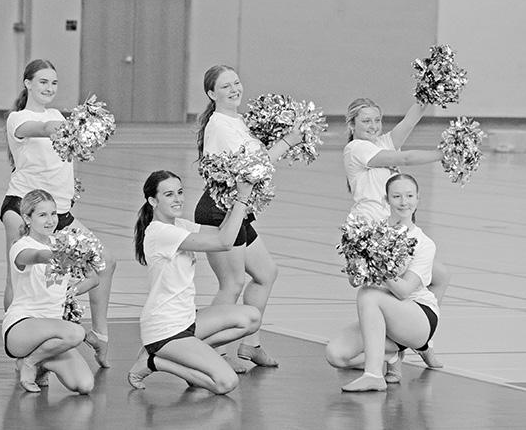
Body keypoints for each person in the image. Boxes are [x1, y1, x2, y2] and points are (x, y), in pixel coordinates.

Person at [0, 59, 117, 368]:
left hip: (60, 213)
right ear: (27, 83)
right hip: (24, 207)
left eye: (53, 82)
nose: (49, 87)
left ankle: (99, 334)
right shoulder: (18, 118)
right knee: (18, 279)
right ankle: (20, 346)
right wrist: (66, 126)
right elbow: (40, 129)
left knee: (105, 261)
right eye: (42, 81)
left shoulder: (56, 115)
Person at [193, 65, 301, 370]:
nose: (234, 89)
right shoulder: (219, 125)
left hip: (238, 210)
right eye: (225, 86)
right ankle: (206, 351)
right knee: (231, 284)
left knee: (266, 273)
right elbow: (253, 167)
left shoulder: (237, 121)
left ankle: (250, 345)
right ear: (212, 94)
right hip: (219, 211)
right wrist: (288, 141)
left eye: (236, 83)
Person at [127, 171, 261, 394]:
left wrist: (231, 198)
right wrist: (242, 199)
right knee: (226, 382)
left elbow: (221, 231)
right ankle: (153, 362)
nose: (178, 199)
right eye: (169, 194)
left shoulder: (180, 225)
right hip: (166, 329)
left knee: (251, 318)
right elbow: (224, 243)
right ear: (153, 201)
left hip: (188, 319)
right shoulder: (161, 232)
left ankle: (187, 355)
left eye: (180, 192)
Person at [344, 97, 449, 368]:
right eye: (366, 121)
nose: (373, 125)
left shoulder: (382, 142)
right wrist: (443, 154)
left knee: (439, 276)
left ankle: (420, 341)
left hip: (395, 228)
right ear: (352, 124)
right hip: (372, 231)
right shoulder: (356, 148)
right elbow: (406, 158)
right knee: (388, 291)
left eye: (377, 120)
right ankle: (395, 354)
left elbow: (410, 120)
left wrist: (429, 89)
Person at [325, 174, 440, 392]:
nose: (404, 202)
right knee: (335, 355)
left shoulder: (424, 243)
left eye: (409, 196)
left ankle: (373, 375)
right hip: (382, 317)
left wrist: (377, 262)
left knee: (369, 294)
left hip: (418, 318)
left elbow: (404, 291)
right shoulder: (371, 233)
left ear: (418, 199)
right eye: (396, 196)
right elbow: (354, 281)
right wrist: (355, 256)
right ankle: (390, 355)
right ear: (386, 199)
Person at [3, 189, 99, 394]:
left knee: (84, 385)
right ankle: (29, 363)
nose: (50, 220)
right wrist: (64, 253)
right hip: (22, 328)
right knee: (76, 332)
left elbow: (93, 278)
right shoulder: (20, 246)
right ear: (27, 219)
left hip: (55, 336)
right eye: (42, 215)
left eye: (53, 214)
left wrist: (70, 290)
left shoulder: (62, 244)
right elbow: (38, 256)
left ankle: (40, 361)